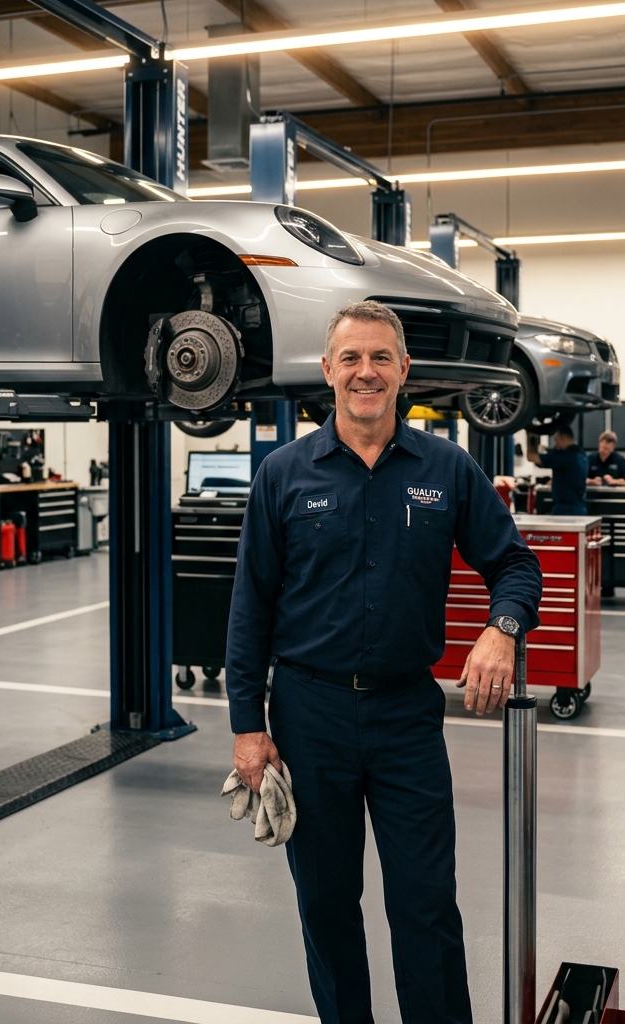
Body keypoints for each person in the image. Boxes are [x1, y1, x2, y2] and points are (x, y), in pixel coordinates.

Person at [225, 299, 542, 1024]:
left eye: (379, 359)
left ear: (404, 371)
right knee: (328, 902)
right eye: (351, 359)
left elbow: (517, 568)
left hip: (406, 716)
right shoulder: (283, 475)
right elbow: (252, 609)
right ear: (328, 371)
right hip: (310, 717)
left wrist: (501, 629)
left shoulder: (447, 469)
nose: (365, 372)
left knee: (426, 903)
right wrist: (248, 725)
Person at [586, 431, 625, 601]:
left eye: (608, 449)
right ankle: (606, 585)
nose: (604, 451)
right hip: (595, 510)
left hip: (617, 511)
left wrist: (614, 481)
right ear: (599, 445)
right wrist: (590, 481)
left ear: (613, 448)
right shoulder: (590, 459)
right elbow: (579, 478)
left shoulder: (619, 460)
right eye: (603, 448)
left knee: (621, 547)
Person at [525, 425, 588, 515]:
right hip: (579, 508)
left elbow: (531, 456)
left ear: (563, 438)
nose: (555, 443)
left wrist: (529, 434)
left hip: (565, 510)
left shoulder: (564, 457)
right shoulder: (581, 454)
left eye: (556, 439)